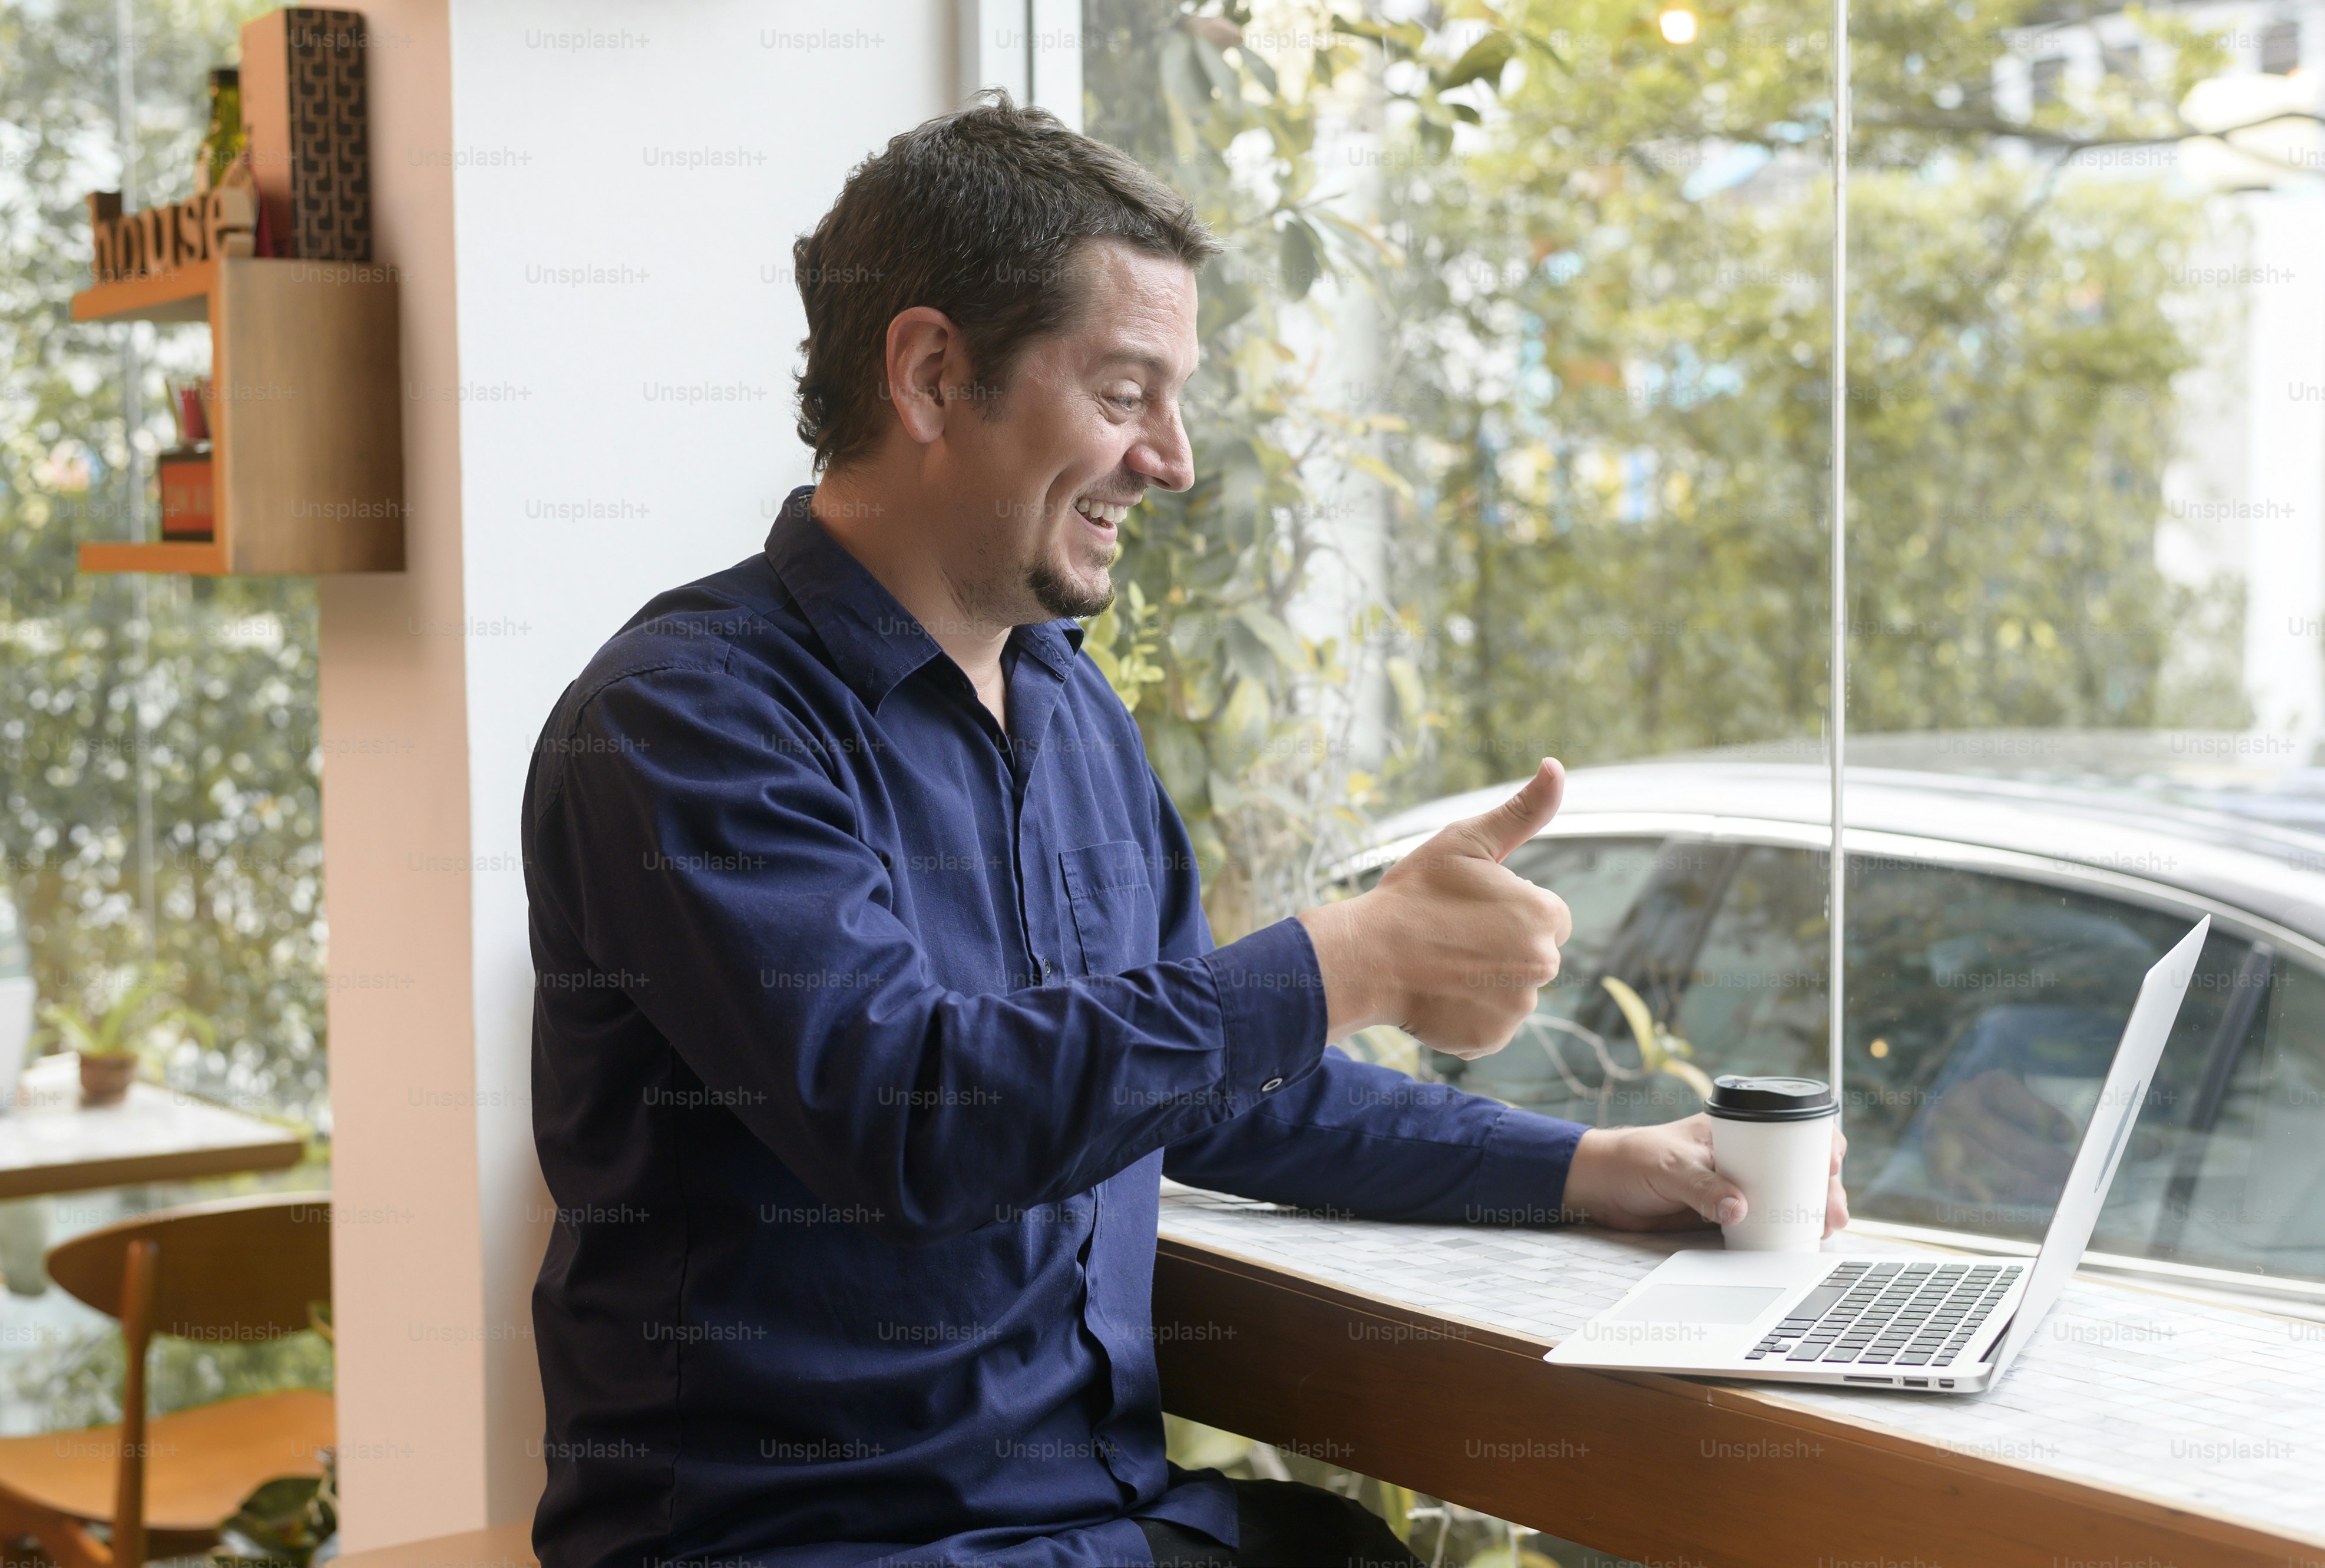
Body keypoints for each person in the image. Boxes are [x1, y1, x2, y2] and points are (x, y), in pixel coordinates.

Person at [521, 91, 1848, 1568]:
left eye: (1175, 396)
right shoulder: (683, 719)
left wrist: (1587, 1160)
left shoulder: (1068, 714)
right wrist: (1346, 959)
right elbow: (907, 1117)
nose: (1173, 458)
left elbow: (1213, 1088)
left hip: (1088, 1518)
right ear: (929, 374)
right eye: (1122, 391)